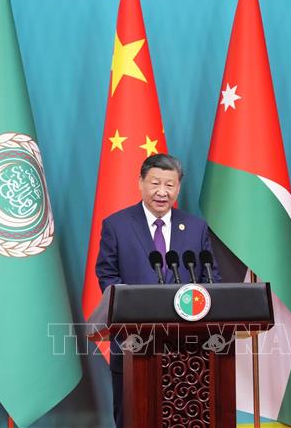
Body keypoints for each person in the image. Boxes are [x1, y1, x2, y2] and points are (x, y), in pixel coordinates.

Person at [96, 153, 220, 428]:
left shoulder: (196, 227)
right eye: (155, 183)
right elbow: (107, 275)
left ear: (178, 188)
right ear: (140, 182)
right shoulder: (117, 225)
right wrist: (133, 308)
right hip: (133, 343)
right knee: (133, 417)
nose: (162, 192)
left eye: (170, 185)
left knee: (184, 417)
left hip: (188, 348)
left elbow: (210, 277)